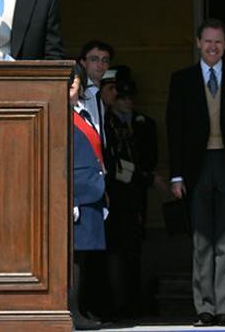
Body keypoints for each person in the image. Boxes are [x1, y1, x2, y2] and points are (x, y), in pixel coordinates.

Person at [166, 18, 225, 327]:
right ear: (198, 43)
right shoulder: (181, 79)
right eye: (207, 41)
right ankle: (205, 308)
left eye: (218, 42)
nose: (212, 47)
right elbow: (175, 129)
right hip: (196, 166)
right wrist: (176, 175)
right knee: (202, 240)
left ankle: (224, 307)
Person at [104, 67, 157, 319]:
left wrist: (144, 176)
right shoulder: (107, 123)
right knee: (114, 250)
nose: (126, 101)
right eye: (121, 96)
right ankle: (116, 303)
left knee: (134, 249)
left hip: (137, 195)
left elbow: (150, 157)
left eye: (128, 97)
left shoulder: (144, 123)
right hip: (113, 194)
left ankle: (133, 302)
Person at [69, 63, 106, 331]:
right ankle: (71, 312)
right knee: (73, 259)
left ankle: (81, 308)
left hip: (92, 191)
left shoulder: (83, 112)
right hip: (76, 194)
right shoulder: (57, 115)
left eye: (75, 82)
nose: (72, 87)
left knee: (86, 257)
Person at [78, 40, 113, 149]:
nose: (100, 64)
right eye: (94, 59)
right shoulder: (77, 91)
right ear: (83, 62)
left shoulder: (99, 94)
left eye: (105, 60)